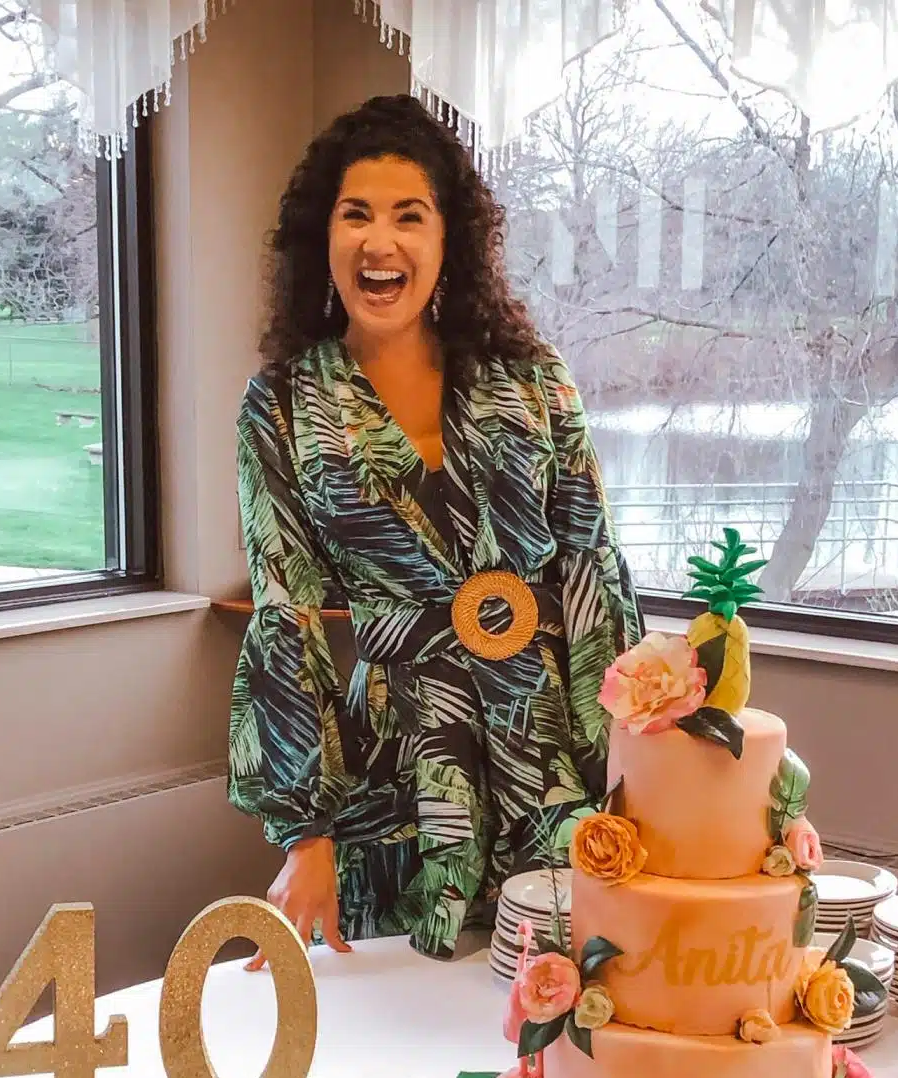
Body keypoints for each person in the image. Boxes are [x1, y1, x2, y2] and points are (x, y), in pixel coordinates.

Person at [228, 94, 642, 964]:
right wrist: (304, 833)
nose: (380, 242)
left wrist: (640, 784)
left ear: (449, 241)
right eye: (356, 215)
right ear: (323, 241)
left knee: (561, 1021)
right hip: (396, 768)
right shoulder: (284, 407)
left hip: (546, 760)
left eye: (408, 216)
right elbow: (284, 612)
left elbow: (595, 582)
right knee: (401, 1025)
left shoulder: (534, 384)